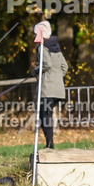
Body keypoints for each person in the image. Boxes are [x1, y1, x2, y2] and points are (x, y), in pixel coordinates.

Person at [32, 21, 68, 149]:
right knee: (47, 115)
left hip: (47, 89)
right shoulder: (55, 47)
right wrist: (56, 78)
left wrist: (36, 71)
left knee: (44, 117)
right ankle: (50, 144)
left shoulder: (42, 47)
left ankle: (50, 145)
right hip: (58, 89)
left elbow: (46, 64)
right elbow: (65, 67)